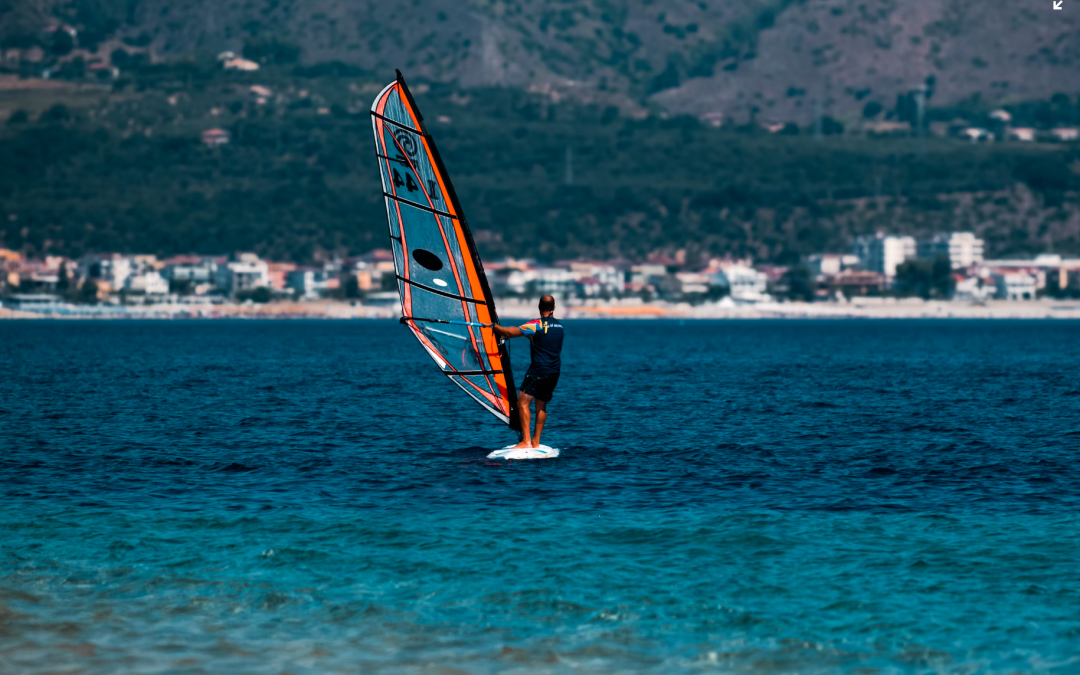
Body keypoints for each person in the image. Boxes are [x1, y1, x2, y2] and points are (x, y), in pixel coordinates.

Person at [491, 295, 564, 449]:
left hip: (538, 370)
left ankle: (526, 441)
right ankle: (536, 442)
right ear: (554, 308)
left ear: (539, 307)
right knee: (541, 406)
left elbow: (509, 333)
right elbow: (542, 340)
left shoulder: (535, 324)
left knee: (522, 403)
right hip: (554, 372)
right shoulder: (559, 327)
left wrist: (494, 327)